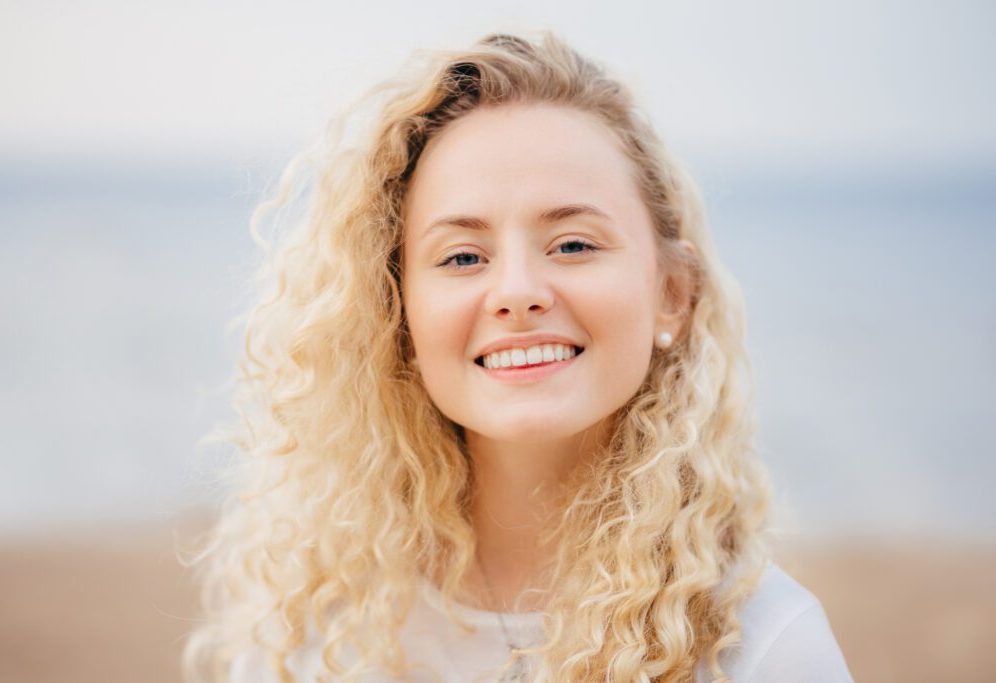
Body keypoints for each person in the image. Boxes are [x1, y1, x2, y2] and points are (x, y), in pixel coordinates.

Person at [183, 31, 853, 683]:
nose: (517, 293)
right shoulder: (311, 630)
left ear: (672, 293)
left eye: (573, 244)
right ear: (397, 312)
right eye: (463, 256)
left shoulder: (764, 648)